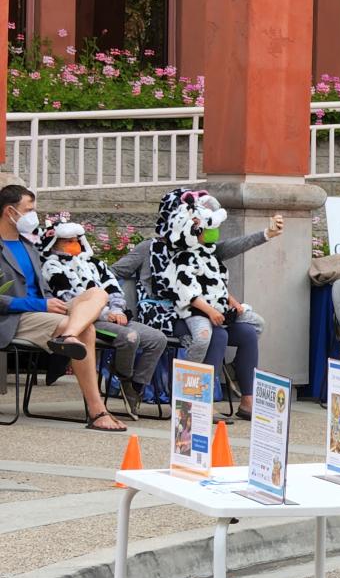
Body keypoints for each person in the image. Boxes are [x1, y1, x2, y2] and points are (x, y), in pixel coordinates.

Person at [0, 185, 125, 431]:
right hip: (15, 316)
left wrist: (53, 304)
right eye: (29, 210)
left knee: (97, 293)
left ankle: (68, 335)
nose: (33, 215)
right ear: (9, 211)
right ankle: (97, 411)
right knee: (86, 331)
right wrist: (40, 304)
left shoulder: (29, 246)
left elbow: (43, 289)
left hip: (44, 311)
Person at [142, 189, 266, 419]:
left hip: (210, 311)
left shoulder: (207, 250)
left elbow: (222, 268)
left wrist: (266, 234)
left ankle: (247, 399)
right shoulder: (152, 247)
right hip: (175, 314)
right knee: (218, 336)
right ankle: (200, 400)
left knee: (248, 332)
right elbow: (117, 272)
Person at [38, 217, 168, 420]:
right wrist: (106, 314)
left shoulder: (95, 263)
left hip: (114, 316)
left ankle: (135, 384)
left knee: (158, 339)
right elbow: (67, 299)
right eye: (67, 241)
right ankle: (123, 376)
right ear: (55, 243)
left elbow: (114, 289)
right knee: (130, 337)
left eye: (76, 239)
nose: (74, 244)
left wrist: (117, 310)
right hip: (85, 320)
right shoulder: (51, 267)